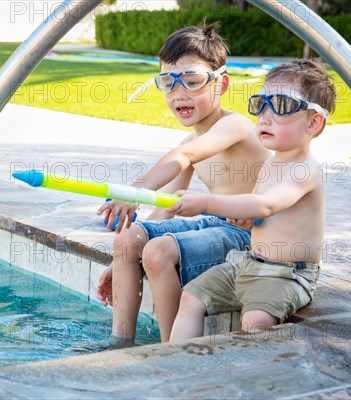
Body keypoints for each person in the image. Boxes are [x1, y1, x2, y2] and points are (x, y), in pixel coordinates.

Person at [95, 24, 271, 345]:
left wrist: (132, 193)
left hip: (251, 234)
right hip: (218, 225)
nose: (179, 94)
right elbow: (165, 210)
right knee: (128, 239)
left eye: (192, 82)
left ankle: (170, 350)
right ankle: (118, 345)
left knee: (159, 251)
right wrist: (122, 260)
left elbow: (185, 154)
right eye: (168, 83)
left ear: (222, 84)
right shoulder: (190, 142)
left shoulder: (234, 126)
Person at [168, 59, 336, 340]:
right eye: (261, 104)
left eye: (281, 106)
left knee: (256, 320)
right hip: (249, 263)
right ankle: (177, 364)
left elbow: (265, 205)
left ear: (314, 123)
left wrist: (205, 203)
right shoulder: (271, 163)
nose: (265, 117)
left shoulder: (305, 169)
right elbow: (259, 212)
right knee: (191, 297)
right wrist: (246, 221)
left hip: (287, 275)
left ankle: (255, 377)